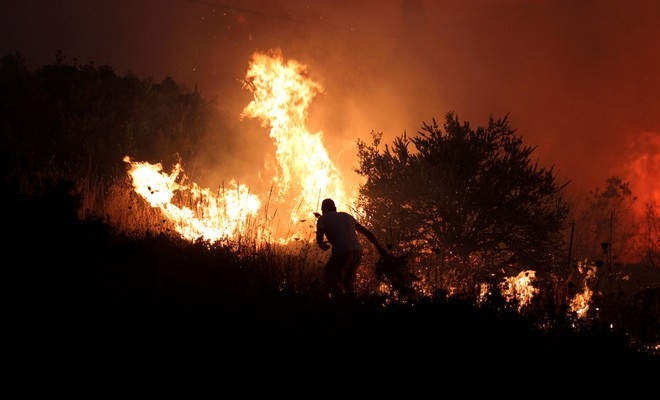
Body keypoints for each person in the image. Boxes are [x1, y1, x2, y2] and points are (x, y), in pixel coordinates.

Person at [315, 198, 388, 300]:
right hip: (357, 252)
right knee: (348, 283)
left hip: (342, 252)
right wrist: (380, 248)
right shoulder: (347, 216)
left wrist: (322, 245)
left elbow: (319, 236)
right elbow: (366, 232)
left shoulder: (322, 219)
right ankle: (352, 305)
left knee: (330, 279)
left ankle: (336, 306)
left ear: (322, 210)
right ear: (335, 208)